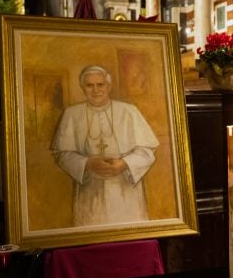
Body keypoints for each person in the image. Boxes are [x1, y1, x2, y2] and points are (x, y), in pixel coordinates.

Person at [51, 64, 160, 227]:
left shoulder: (129, 111)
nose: (95, 90)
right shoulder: (72, 114)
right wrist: (87, 163)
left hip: (126, 190)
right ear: (82, 88)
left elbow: (147, 151)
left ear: (108, 86)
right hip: (90, 190)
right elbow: (62, 154)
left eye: (100, 85)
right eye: (89, 85)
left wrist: (124, 164)